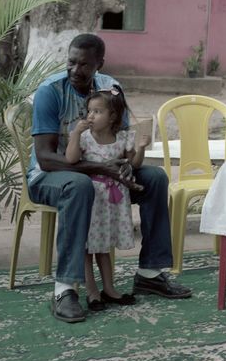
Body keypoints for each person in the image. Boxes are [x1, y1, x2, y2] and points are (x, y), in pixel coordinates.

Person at [29, 34, 192, 324]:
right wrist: (100, 169)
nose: (75, 70)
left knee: (154, 178)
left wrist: (127, 166)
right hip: (51, 177)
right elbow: (44, 157)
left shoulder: (110, 88)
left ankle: (150, 274)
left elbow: (123, 142)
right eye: (71, 62)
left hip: (104, 172)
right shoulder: (50, 91)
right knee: (79, 187)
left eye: (84, 64)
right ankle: (64, 289)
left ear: (99, 64)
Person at [64, 86, 148, 311]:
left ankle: (109, 289)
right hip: (92, 199)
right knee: (87, 247)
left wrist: (140, 149)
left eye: (97, 111)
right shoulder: (84, 138)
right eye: (89, 111)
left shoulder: (122, 138)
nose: (90, 116)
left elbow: (134, 164)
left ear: (112, 117)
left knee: (103, 246)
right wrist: (74, 134)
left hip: (112, 201)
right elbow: (71, 159)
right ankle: (92, 292)